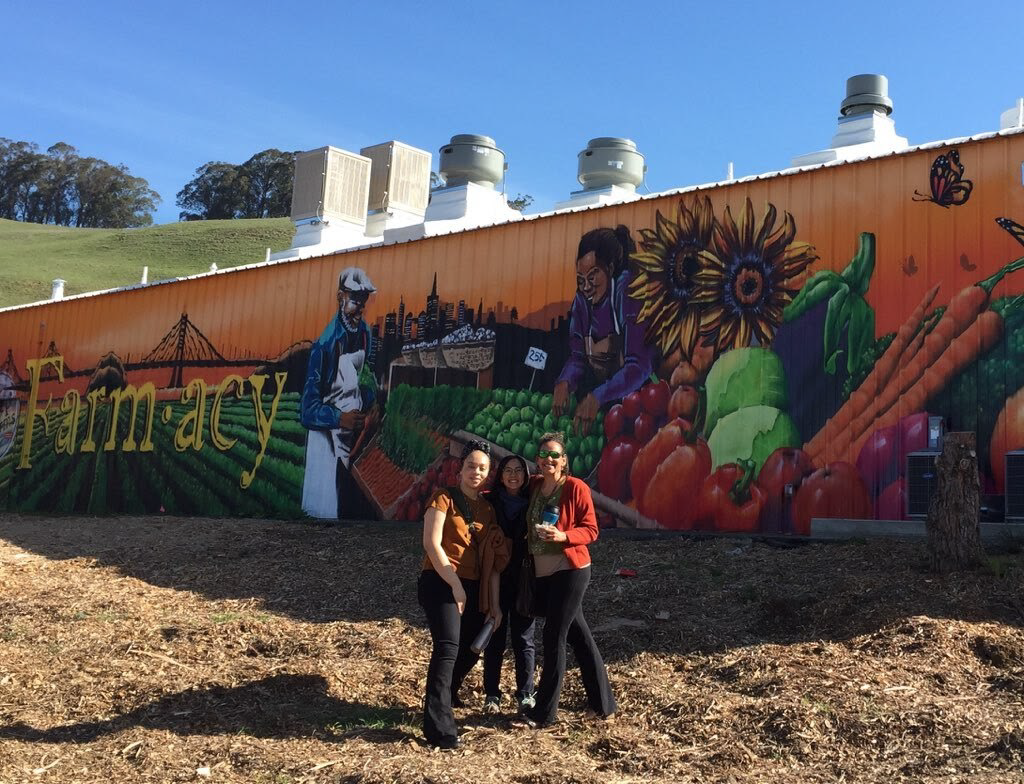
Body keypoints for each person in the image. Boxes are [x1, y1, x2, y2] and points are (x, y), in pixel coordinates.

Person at [418, 440, 509, 750]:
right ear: (460, 469)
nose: (476, 472)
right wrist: (455, 585)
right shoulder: (443, 498)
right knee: (447, 646)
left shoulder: (488, 510)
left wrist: (494, 605)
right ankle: (439, 728)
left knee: (472, 647)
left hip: (474, 586)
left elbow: (494, 562)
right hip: (441, 580)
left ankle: (446, 692)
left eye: (482, 468)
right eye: (471, 465)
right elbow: (432, 544)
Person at [522, 432, 616, 728]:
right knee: (579, 635)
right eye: (543, 455)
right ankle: (603, 704)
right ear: (537, 460)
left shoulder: (575, 487)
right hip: (543, 573)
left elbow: (591, 530)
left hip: (571, 569)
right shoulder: (535, 486)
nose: (549, 460)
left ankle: (544, 713)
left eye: (555, 455)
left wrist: (564, 536)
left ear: (564, 461)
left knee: (553, 636)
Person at [552, 226, 656, 436]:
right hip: (600, 412)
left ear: (610, 268)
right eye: (581, 279)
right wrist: (565, 380)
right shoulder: (581, 301)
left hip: (638, 409)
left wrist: (597, 397)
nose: (586, 287)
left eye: (593, 276)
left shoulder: (627, 291)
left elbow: (639, 366)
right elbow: (578, 356)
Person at [300, 266, 378, 520]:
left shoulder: (365, 334)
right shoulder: (325, 344)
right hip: (325, 442)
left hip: (351, 436)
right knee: (325, 511)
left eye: (364, 301)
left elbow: (366, 380)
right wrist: (338, 418)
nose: (361, 308)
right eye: (356, 300)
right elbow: (307, 410)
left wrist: (369, 402)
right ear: (340, 296)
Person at [479, 454, 536, 714]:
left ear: (525, 476)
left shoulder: (534, 502)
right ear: (500, 475)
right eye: (508, 470)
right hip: (496, 577)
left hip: (525, 577)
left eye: (518, 471)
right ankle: (492, 694)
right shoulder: (489, 501)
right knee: (495, 636)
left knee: (524, 637)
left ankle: (525, 693)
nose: (513, 475)